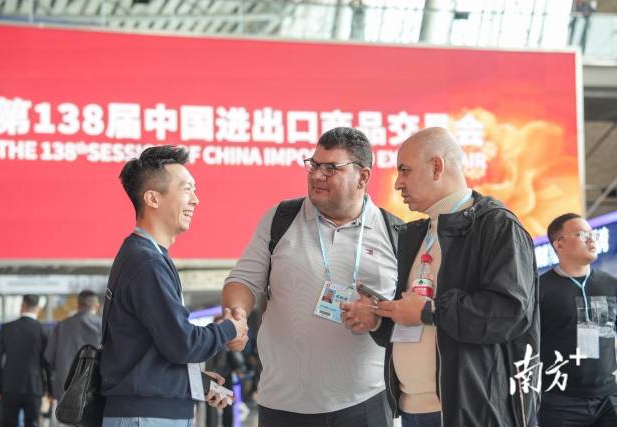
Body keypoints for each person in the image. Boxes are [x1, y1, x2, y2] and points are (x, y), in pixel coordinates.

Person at [344, 127, 540, 426]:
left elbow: (510, 312)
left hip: (471, 411)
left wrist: (430, 311)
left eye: (405, 171)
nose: (398, 183)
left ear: (437, 167)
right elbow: (417, 321)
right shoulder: (416, 234)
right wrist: (380, 319)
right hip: (411, 411)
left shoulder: (497, 226)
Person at [222, 127, 401, 426]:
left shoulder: (394, 232)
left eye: (331, 168)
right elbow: (243, 280)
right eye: (314, 165)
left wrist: (378, 316)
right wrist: (236, 313)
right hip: (283, 404)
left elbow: (409, 314)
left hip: (366, 402)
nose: (317, 175)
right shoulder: (280, 218)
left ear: (363, 176)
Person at [100, 145, 248, 427]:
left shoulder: (145, 256)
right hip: (146, 418)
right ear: (153, 198)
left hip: (148, 415)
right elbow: (183, 343)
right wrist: (231, 328)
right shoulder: (147, 262)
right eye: (186, 189)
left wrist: (196, 383)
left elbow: (154, 350)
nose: (196, 200)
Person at [538, 213, 617, 426]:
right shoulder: (539, 289)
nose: (591, 239)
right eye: (582, 234)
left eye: (592, 234)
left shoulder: (610, 284)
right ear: (559, 245)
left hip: (609, 399)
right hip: (560, 403)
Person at [0, 294, 50, 427]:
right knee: (32, 423)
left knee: (8, 423)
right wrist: (50, 390)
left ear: (22, 306)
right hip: (34, 386)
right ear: (38, 309)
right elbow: (47, 363)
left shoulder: (6, 328)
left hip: (9, 386)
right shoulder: (43, 330)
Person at [44, 290, 102, 404]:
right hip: (95, 389)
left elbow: (48, 357)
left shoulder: (62, 326)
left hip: (65, 390)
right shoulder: (103, 326)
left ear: (78, 304)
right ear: (96, 306)